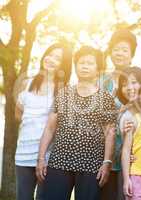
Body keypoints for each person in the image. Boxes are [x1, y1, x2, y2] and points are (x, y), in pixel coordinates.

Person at [36, 46, 117, 200]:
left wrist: (107, 162)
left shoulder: (106, 98)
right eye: (81, 62)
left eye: (90, 63)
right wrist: (41, 159)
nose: (85, 66)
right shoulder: (64, 93)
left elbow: (110, 133)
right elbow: (50, 128)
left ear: (98, 68)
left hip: (92, 164)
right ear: (75, 65)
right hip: (59, 161)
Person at [15, 42, 72, 200]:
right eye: (50, 54)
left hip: (48, 156)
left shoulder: (64, 89)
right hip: (23, 154)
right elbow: (18, 114)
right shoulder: (27, 83)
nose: (51, 59)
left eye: (57, 58)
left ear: (63, 65)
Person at [101, 28, 138, 200]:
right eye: (116, 49)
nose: (120, 53)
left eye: (125, 50)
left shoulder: (138, 79)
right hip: (103, 156)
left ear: (131, 54)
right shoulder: (102, 80)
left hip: (131, 158)